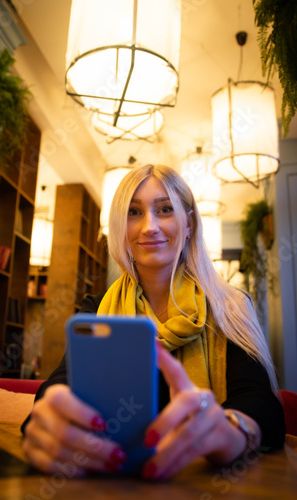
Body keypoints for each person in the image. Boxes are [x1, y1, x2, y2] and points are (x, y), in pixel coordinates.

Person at [22, 164, 285, 480]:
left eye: (164, 209)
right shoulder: (96, 309)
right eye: (134, 212)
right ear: (121, 228)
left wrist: (233, 431)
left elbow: (261, 404)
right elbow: (61, 385)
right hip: (113, 480)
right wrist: (48, 418)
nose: (149, 226)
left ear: (188, 224)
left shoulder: (229, 306)